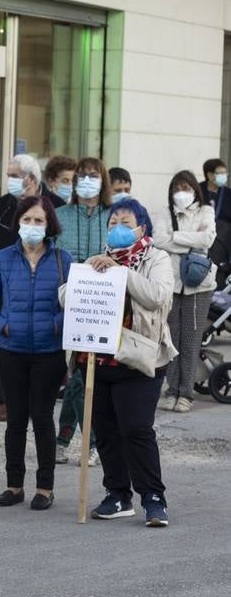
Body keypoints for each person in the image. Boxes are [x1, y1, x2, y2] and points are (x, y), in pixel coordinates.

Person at [80, 200, 178, 527]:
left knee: (136, 429)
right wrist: (87, 275)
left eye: (125, 221)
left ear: (142, 228)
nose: (117, 227)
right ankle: (117, 494)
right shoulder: (98, 259)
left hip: (141, 357)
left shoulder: (156, 258)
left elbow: (158, 296)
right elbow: (68, 295)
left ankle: (152, 497)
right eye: (112, 222)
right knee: (106, 431)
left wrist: (120, 272)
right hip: (100, 359)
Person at [0, 196, 72, 511]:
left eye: (39, 220)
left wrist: (56, 325)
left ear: (50, 225)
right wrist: (3, 326)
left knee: (43, 418)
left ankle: (45, 487)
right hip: (10, 351)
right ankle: (13, 485)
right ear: (19, 222)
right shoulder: (2, 260)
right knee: (15, 420)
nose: (32, 226)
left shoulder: (63, 260)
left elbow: (74, 304)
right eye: (27, 219)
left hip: (48, 352)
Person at [0, 153, 45, 422]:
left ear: (31, 179)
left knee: (39, 342)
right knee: (4, 343)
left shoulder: (50, 204)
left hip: (41, 282)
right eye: (9, 175)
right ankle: (6, 401)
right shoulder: (3, 205)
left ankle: (34, 399)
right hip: (4, 283)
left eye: (15, 175)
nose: (10, 180)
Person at [53, 157, 112, 466]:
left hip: (106, 306)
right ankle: (84, 442)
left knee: (83, 376)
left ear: (103, 181)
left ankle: (69, 440)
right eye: (82, 175)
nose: (87, 180)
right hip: (70, 302)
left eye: (93, 175)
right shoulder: (60, 216)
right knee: (77, 375)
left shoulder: (112, 216)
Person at [152, 170, 217, 412]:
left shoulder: (205, 211)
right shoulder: (165, 212)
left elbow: (207, 239)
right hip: (171, 281)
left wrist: (176, 237)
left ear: (195, 190)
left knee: (190, 340)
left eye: (187, 188)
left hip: (199, 285)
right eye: (177, 188)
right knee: (170, 339)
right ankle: (171, 390)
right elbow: (158, 240)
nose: (182, 193)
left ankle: (186, 393)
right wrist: (192, 239)